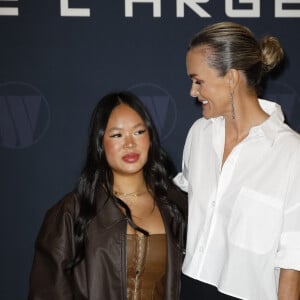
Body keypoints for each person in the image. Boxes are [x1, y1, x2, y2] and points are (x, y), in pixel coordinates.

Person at [174, 21, 300, 300]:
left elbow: (293, 262)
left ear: (231, 78)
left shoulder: (291, 153)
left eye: (199, 81)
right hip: (192, 286)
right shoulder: (199, 135)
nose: (193, 92)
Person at [28, 91, 187, 300]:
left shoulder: (177, 207)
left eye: (138, 132)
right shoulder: (72, 212)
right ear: (100, 143)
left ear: (150, 138)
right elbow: (48, 292)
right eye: (117, 135)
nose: (130, 143)